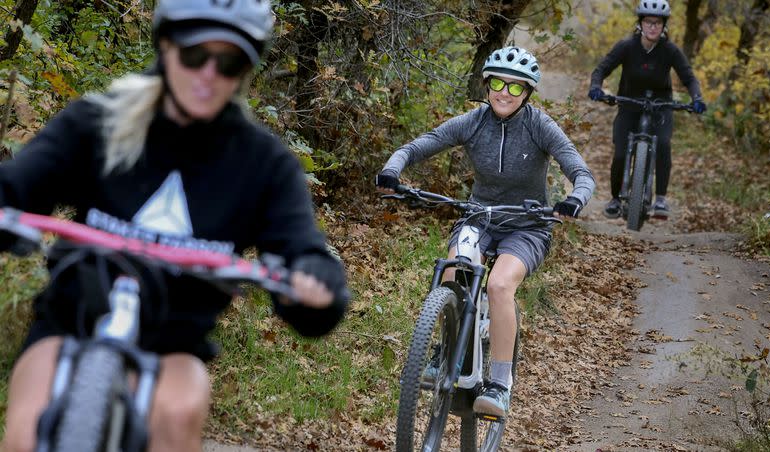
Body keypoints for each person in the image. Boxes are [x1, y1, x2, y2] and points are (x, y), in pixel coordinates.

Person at [0, 1, 349, 451]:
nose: (208, 74)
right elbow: (20, 184)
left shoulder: (262, 164)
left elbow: (303, 248)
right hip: (72, 319)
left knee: (178, 409)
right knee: (28, 426)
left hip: (175, 342)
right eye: (193, 54)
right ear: (165, 47)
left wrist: (314, 281)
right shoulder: (98, 122)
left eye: (228, 63)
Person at [376, 46, 595, 417]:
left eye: (514, 87)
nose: (503, 93)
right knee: (453, 267)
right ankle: (443, 350)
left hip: (527, 227)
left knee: (498, 285)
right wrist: (392, 170)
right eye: (497, 83)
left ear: (527, 93)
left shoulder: (539, 126)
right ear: (486, 84)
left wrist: (575, 197)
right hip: (479, 217)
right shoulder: (473, 121)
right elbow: (417, 147)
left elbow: (581, 172)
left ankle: (499, 382)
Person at [589, 0, 706, 220]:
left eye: (658, 23)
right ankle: (615, 198)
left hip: (660, 108)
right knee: (621, 152)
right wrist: (596, 87)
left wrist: (697, 98)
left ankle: (660, 198)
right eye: (648, 22)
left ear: (664, 26)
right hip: (629, 104)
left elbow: (689, 77)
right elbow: (602, 68)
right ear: (640, 23)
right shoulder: (626, 46)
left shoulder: (670, 50)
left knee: (662, 144)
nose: (653, 27)